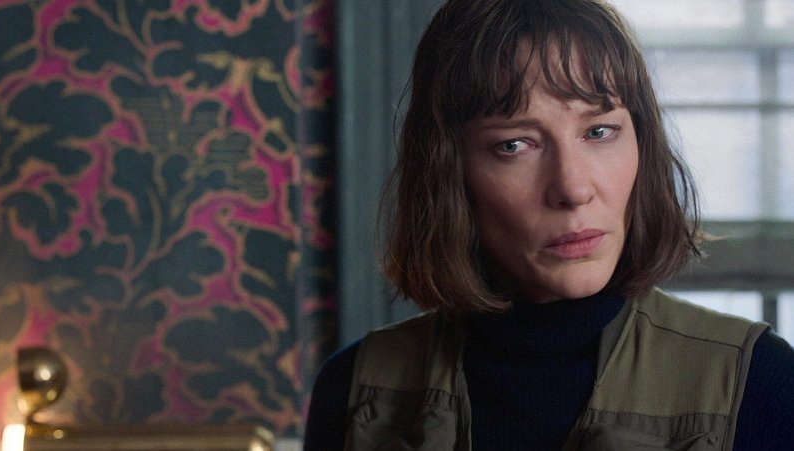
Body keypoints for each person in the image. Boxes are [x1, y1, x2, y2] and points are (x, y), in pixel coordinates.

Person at [305, 0, 794, 449]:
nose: (573, 188)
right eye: (514, 145)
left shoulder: (759, 380)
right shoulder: (356, 390)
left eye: (599, 131)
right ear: (448, 172)